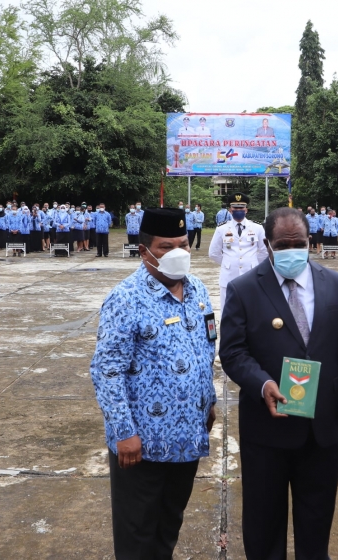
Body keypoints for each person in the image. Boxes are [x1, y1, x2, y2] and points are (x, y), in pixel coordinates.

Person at [219, 207, 338, 560]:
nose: (292, 251)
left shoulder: (336, 284)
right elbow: (233, 352)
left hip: (321, 431)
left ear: (309, 241)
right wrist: (262, 384)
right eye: (282, 245)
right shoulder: (243, 289)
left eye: (298, 243)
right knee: (264, 528)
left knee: (316, 527)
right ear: (268, 246)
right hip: (267, 430)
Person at [90, 207, 216, 559]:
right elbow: (107, 370)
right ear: (144, 250)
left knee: (169, 524)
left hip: (187, 436)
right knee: (138, 532)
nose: (178, 252)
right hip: (142, 443)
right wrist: (123, 432)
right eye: (166, 247)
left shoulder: (198, 290)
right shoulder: (126, 298)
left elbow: (206, 350)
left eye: (183, 244)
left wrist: (209, 402)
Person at [208, 192, 267, 294]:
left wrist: (253, 262)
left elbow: (265, 251)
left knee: (251, 304)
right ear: (230, 210)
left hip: (251, 275)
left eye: (241, 208)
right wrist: (228, 263)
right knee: (227, 304)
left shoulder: (257, 228)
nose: (238, 210)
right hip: (228, 276)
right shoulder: (221, 229)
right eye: (235, 208)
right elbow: (213, 253)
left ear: (246, 210)